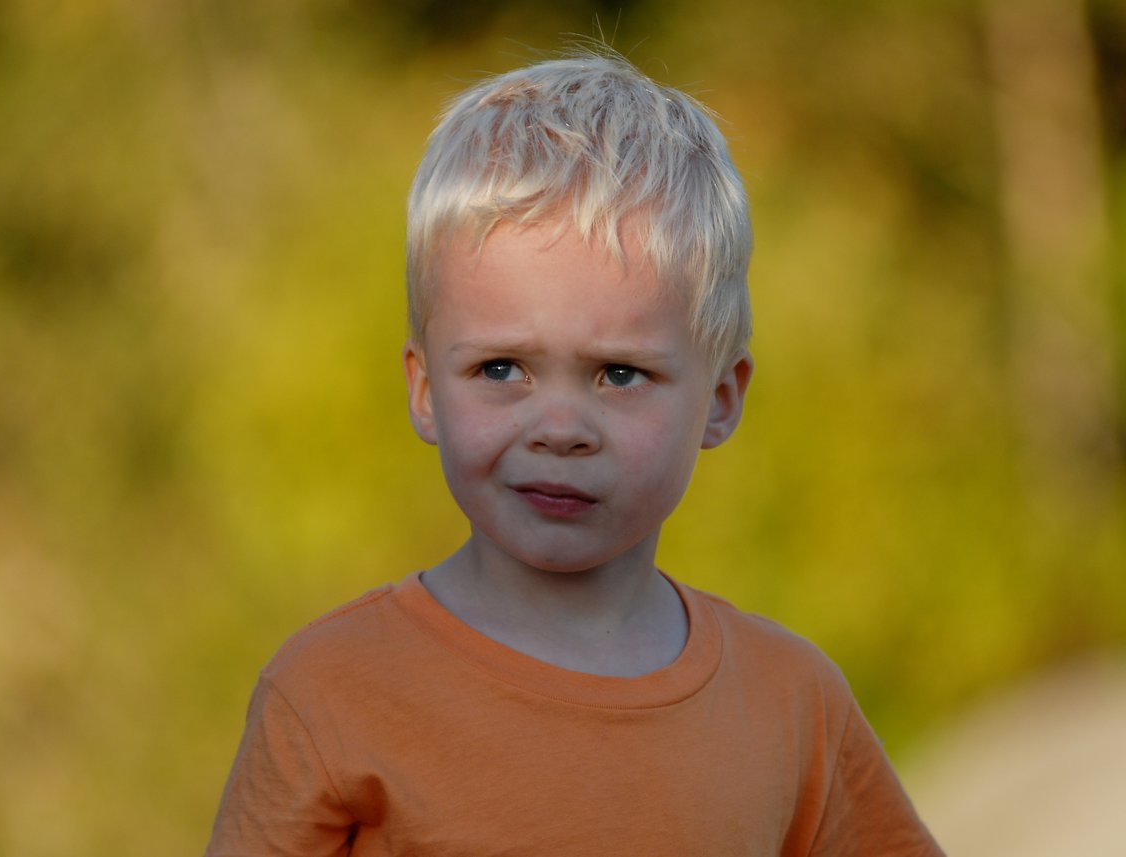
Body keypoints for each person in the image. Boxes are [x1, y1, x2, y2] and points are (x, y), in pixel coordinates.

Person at [204, 50, 943, 856]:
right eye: (501, 369)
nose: (559, 426)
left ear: (721, 399)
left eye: (620, 373)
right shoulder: (329, 692)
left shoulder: (792, 703)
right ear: (424, 389)